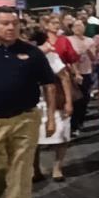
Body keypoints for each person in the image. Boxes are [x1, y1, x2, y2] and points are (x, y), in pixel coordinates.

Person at [0, 8, 58, 198]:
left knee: (21, 170)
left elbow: (49, 85)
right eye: (4, 23)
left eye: (14, 23)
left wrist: (51, 118)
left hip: (25, 119)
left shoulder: (32, 53)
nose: (10, 27)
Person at [31, 28, 74, 182]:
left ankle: (57, 167)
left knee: (61, 134)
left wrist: (69, 101)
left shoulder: (51, 56)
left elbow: (65, 77)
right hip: (32, 103)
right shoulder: (20, 56)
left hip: (55, 101)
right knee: (33, 139)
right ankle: (35, 170)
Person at [67, 20, 95, 136]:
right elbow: (66, 57)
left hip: (86, 72)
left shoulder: (90, 41)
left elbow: (93, 58)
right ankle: (73, 125)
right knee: (75, 99)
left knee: (84, 98)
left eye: (81, 26)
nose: (78, 28)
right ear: (72, 28)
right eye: (76, 26)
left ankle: (80, 121)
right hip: (72, 73)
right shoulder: (68, 40)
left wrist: (87, 51)